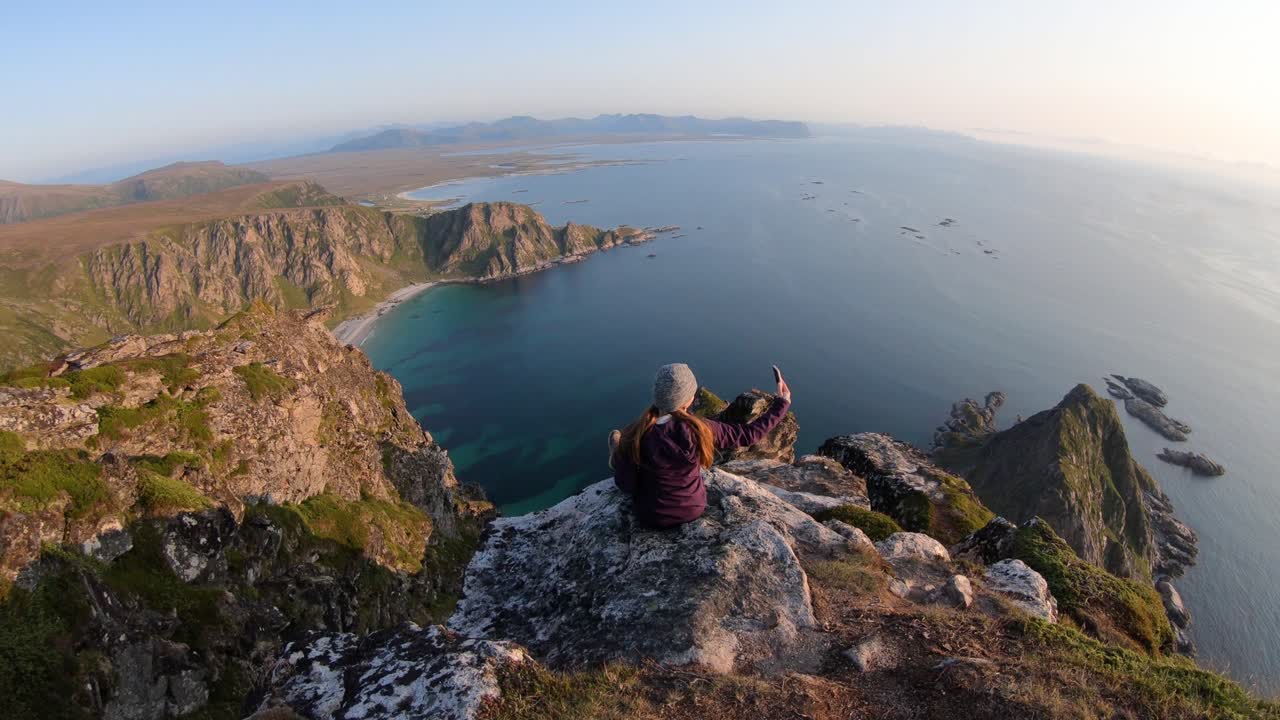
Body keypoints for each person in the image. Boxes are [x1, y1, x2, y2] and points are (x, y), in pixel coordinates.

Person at [609, 363, 792, 528]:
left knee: (623, 451)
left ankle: (616, 454)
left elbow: (626, 484)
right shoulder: (700, 429)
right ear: (688, 399)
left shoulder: (636, 434)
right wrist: (781, 404)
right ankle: (618, 454)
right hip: (692, 509)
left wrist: (622, 460)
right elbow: (749, 435)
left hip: (650, 515)